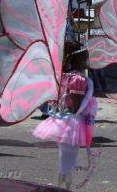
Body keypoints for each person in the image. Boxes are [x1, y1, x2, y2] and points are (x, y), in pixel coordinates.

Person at [33, 41, 97, 190]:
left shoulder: (65, 76)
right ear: (80, 58)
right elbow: (75, 107)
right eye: (86, 56)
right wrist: (89, 107)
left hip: (62, 121)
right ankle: (63, 188)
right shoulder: (79, 80)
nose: (88, 59)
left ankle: (62, 187)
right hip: (71, 124)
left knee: (66, 162)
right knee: (68, 163)